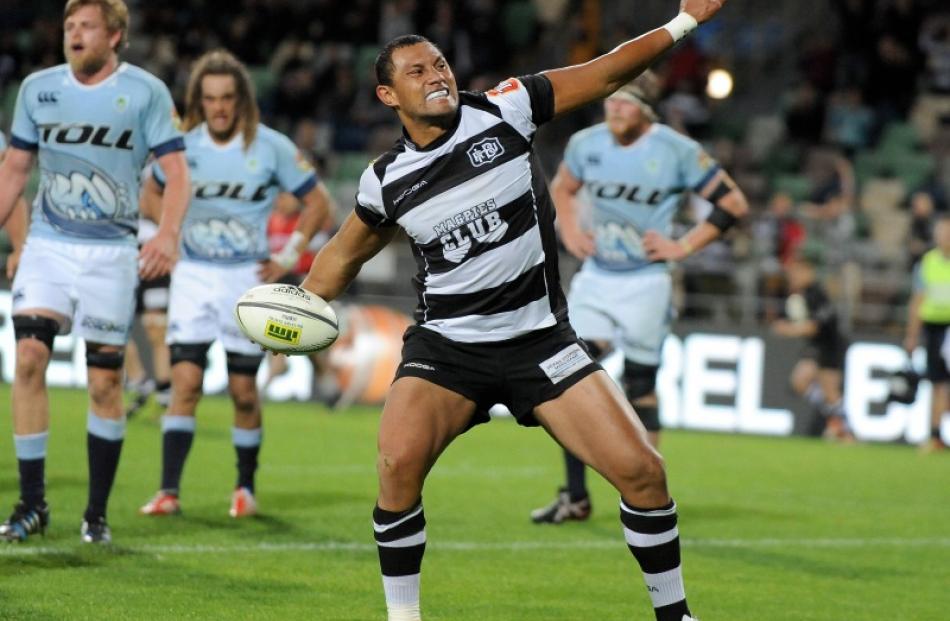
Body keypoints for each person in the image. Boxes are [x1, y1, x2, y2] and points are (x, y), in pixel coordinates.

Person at [294, 3, 728, 619]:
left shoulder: (505, 107)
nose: (436, 75)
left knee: (643, 472)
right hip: (448, 351)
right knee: (395, 466)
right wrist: (298, 309)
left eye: (440, 63)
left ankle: (675, 614)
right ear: (388, 94)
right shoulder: (385, 181)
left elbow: (604, 72)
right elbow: (341, 258)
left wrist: (682, 23)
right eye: (417, 72)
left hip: (540, 343)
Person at [0, 0, 189, 544]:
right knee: (31, 355)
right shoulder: (38, 89)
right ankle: (32, 503)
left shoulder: (147, 93)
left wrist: (169, 235)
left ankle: (96, 514)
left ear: (115, 36)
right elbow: (15, 169)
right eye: (68, 26)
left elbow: (175, 176)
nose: (74, 34)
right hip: (49, 245)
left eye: (86, 26)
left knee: (105, 381)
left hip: (111, 253)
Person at [530, 71, 749, 525]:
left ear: (646, 110)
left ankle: (649, 493)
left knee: (641, 385)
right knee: (568, 378)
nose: (614, 108)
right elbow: (563, 189)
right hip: (597, 276)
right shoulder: (587, 143)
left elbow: (733, 205)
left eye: (625, 102)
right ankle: (575, 496)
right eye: (611, 100)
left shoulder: (677, 151)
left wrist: (684, 246)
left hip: (648, 280)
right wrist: (569, 229)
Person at [138, 49, 332, 518]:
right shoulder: (182, 148)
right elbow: (149, 192)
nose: (218, 107)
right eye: (209, 99)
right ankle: (168, 491)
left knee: (244, 391)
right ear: (198, 101)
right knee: (184, 384)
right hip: (194, 276)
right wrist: (170, 234)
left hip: (245, 280)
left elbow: (319, 203)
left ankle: (245, 487)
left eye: (226, 98)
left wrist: (288, 255)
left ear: (241, 99)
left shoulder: (271, 147)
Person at [771, 255, 854, 442]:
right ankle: (836, 422)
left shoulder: (817, 293)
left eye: (796, 272)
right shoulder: (802, 295)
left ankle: (845, 431)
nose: (792, 276)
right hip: (817, 345)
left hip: (831, 345)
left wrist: (788, 330)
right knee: (801, 383)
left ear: (808, 271)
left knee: (830, 392)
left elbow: (815, 326)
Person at [904, 213, 950, 453]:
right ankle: (935, 435)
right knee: (938, 382)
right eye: (941, 232)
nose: (944, 237)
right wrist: (912, 334)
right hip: (934, 329)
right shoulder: (928, 262)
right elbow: (918, 300)